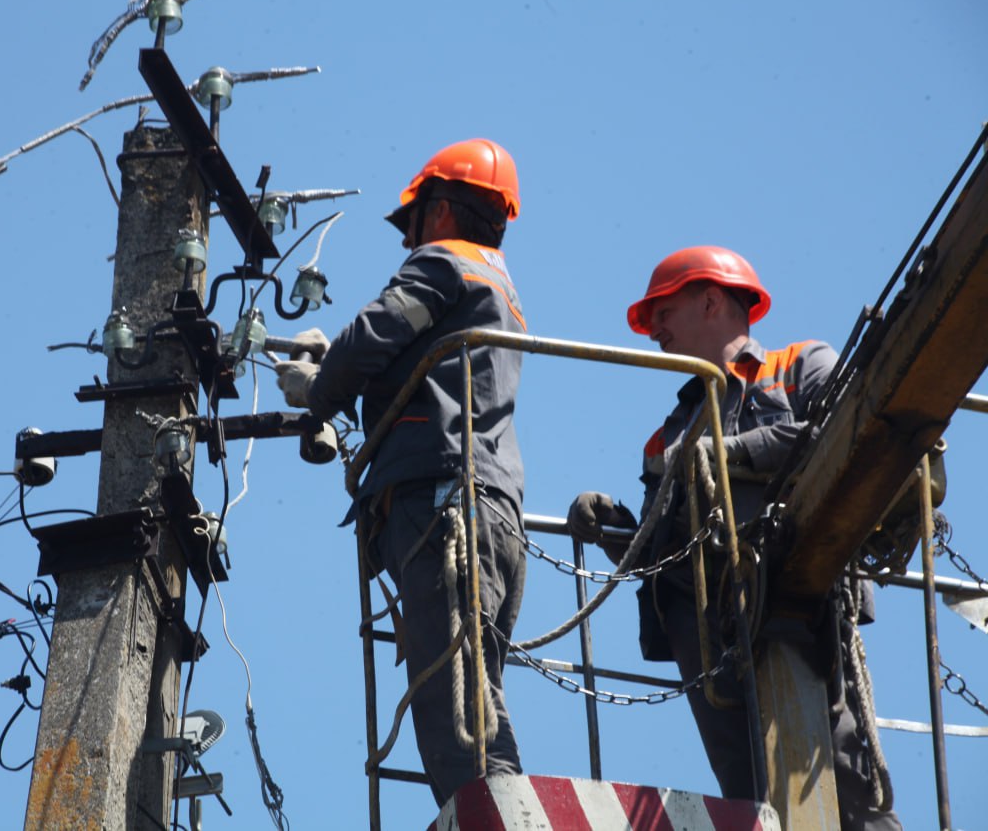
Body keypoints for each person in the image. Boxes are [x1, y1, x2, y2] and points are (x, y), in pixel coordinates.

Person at [567, 246, 901, 829]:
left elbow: (840, 430)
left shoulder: (802, 365)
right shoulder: (668, 435)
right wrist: (612, 527)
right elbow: (659, 548)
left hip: (805, 601)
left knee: (842, 780)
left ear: (711, 300)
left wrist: (731, 453)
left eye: (662, 313)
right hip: (709, 631)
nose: (655, 332)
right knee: (752, 796)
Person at [273, 138, 528, 805]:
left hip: (443, 505)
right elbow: (415, 358)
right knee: (476, 693)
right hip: (490, 509)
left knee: (456, 713)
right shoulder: (495, 284)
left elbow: (378, 331)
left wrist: (321, 388)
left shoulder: (443, 263)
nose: (406, 242)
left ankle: (499, 819)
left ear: (439, 211)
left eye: (411, 223)